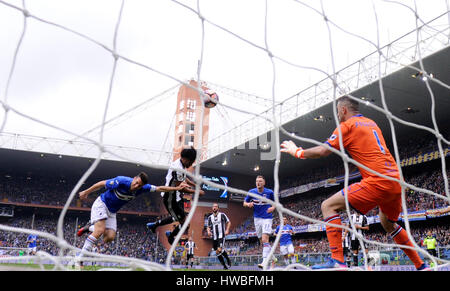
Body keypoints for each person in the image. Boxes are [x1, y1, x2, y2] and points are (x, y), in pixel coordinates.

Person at [280, 96, 427, 270]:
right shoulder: (372, 123)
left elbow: (322, 151)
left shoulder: (347, 126)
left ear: (343, 110)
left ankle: (338, 262)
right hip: (396, 181)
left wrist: (297, 151)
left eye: (336, 111)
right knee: (388, 223)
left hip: (378, 181)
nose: (336, 115)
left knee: (327, 206)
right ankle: (421, 266)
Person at [75, 172, 186, 264]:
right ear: (134, 179)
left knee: (109, 238)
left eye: (140, 185)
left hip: (112, 212)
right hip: (102, 204)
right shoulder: (122, 181)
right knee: (99, 230)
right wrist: (86, 192)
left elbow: (159, 188)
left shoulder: (143, 188)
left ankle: (89, 228)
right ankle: (80, 259)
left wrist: (176, 188)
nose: (137, 186)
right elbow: (102, 183)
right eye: (136, 182)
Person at [146, 147, 205, 245]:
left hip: (177, 197)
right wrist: (197, 192)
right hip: (170, 198)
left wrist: (195, 185)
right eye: (190, 162)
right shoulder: (178, 167)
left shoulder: (181, 165)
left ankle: (155, 225)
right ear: (186, 159)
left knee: (178, 218)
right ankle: (170, 235)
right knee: (185, 223)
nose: (191, 165)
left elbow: (185, 179)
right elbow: (180, 187)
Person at [243, 175, 277, 269]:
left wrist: (273, 207)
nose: (258, 183)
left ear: (264, 183)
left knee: (265, 239)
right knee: (262, 242)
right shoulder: (251, 192)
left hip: (267, 217)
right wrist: (248, 204)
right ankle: (273, 258)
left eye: (260, 181)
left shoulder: (269, 192)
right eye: (257, 181)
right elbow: (244, 202)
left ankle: (264, 261)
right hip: (257, 219)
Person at [207, 202, 232, 269]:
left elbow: (229, 222)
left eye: (216, 206)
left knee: (219, 250)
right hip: (214, 237)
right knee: (217, 252)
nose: (214, 207)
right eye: (213, 206)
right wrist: (208, 231)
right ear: (212, 208)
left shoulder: (222, 215)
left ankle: (228, 259)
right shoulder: (210, 217)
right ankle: (224, 266)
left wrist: (227, 230)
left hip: (221, 236)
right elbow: (208, 226)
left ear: (218, 208)